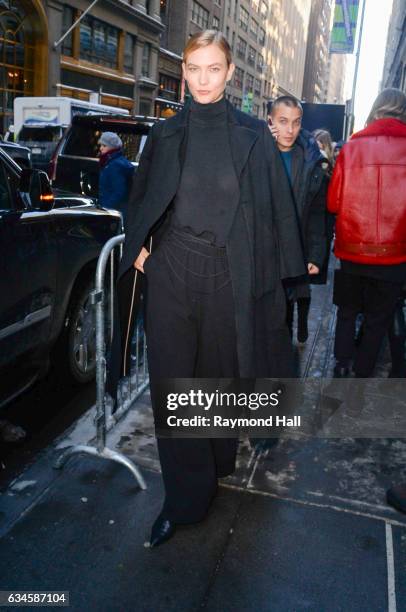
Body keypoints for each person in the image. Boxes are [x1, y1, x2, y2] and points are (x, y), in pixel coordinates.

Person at [112, 31, 306, 547]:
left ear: (229, 74)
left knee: (219, 376)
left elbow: (273, 211)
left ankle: (218, 460)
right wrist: (143, 252)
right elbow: (142, 200)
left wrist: (280, 275)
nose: (202, 79)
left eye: (213, 68)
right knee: (173, 385)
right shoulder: (165, 134)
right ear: (184, 70)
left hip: (228, 276)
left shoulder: (251, 135)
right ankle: (184, 500)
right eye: (194, 68)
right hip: (172, 271)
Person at [328, 88, 406, 378]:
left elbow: (333, 202)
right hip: (395, 255)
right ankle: (361, 372)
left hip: (352, 249)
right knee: (377, 320)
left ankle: (341, 365)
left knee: (347, 312)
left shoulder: (351, 148)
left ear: (376, 108)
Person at [267, 96, 328, 344]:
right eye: (283, 122)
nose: (290, 130)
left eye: (296, 122)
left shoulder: (311, 161)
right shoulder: (255, 152)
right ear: (270, 121)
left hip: (295, 252)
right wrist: (263, 148)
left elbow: (316, 213)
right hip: (261, 253)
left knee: (285, 322)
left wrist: (316, 253)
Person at [98, 131, 134, 224]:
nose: (101, 148)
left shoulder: (115, 165)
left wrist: (105, 208)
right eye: (101, 145)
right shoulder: (112, 162)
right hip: (114, 211)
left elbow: (119, 191)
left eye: (104, 146)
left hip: (114, 213)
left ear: (112, 147)